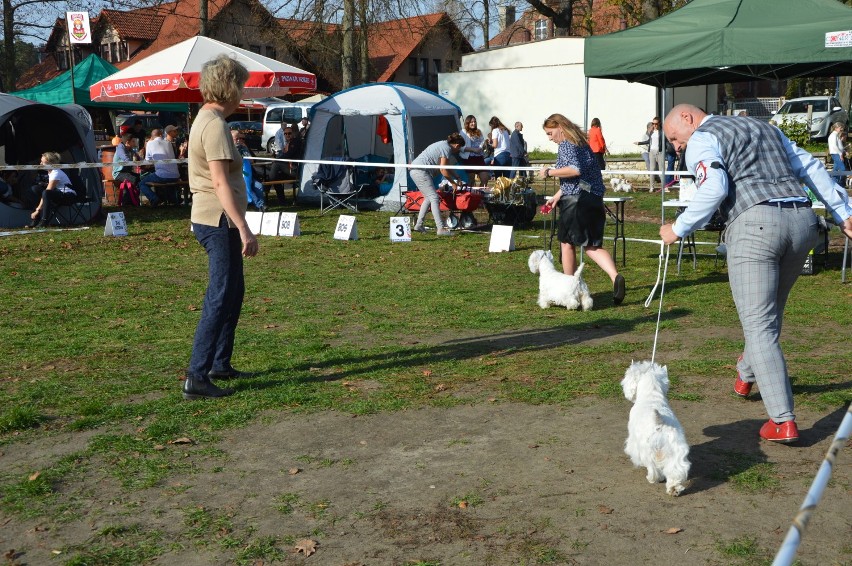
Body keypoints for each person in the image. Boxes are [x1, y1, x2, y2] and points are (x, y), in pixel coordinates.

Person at [660, 104, 852, 443]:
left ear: (688, 119)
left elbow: (715, 187)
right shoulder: (765, 128)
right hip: (803, 223)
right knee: (769, 314)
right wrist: (841, 211)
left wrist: (678, 227)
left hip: (755, 226)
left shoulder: (703, 139)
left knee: (760, 325)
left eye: (674, 138)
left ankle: (782, 420)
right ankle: (746, 373)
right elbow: (808, 165)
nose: (676, 146)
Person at [183, 54, 258, 401]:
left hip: (215, 219)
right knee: (219, 295)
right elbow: (219, 182)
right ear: (229, 87)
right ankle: (196, 376)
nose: (242, 91)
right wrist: (243, 227)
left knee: (233, 292)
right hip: (219, 221)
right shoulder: (214, 125)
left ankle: (219, 363)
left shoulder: (206, 119)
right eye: (240, 84)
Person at [538, 113, 626, 305]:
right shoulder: (583, 145)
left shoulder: (566, 145)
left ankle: (570, 289)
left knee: (566, 243)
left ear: (560, 128)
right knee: (592, 245)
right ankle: (615, 276)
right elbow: (581, 180)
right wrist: (556, 196)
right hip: (593, 198)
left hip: (575, 202)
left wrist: (549, 172)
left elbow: (574, 170)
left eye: (550, 133)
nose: (550, 138)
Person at [411, 132, 465, 235]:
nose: (458, 151)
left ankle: (418, 225)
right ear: (457, 145)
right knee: (434, 197)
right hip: (420, 171)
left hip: (416, 170)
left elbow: (447, 166)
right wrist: (453, 183)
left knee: (429, 197)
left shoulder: (444, 145)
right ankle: (440, 228)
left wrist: (457, 177)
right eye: (459, 148)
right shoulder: (446, 148)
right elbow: (443, 170)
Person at [28, 152, 78, 227]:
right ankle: (36, 220)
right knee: (34, 189)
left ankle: (44, 221)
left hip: (69, 196)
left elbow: (48, 191)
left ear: (49, 163)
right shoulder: (50, 172)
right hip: (58, 194)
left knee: (46, 193)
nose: (40, 163)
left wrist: (37, 210)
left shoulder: (56, 172)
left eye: (42, 162)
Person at [139, 128, 182, 204]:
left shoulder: (150, 143)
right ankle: (170, 200)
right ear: (161, 135)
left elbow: (148, 161)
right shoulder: (168, 143)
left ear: (152, 137)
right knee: (161, 177)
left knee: (142, 183)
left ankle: (154, 198)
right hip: (176, 175)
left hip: (162, 175)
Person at [231, 129, 266, 212]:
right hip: (237, 175)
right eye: (237, 139)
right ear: (231, 139)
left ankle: (260, 206)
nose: (239, 140)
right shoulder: (229, 149)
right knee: (247, 188)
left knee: (259, 186)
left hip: (247, 173)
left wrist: (245, 148)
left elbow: (252, 161)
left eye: (240, 138)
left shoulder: (243, 148)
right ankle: (259, 205)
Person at [270, 125, 303, 205]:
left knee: (276, 164)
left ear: (293, 134)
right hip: (288, 169)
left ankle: (268, 183)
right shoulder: (288, 144)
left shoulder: (296, 142)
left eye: (289, 133)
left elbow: (288, 155)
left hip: (296, 170)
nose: (287, 135)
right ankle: (282, 201)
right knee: (275, 179)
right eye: (285, 134)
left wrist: (278, 158)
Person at [112, 132, 147, 204]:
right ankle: (133, 201)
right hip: (119, 173)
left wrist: (143, 162)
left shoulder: (130, 149)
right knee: (135, 179)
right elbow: (126, 159)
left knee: (141, 177)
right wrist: (136, 161)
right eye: (133, 141)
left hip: (127, 172)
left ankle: (133, 201)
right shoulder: (120, 148)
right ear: (128, 142)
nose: (134, 143)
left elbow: (138, 157)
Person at [459, 115, 489, 186]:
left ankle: (481, 195)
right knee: (471, 180)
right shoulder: (463, 132)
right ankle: (471, 196)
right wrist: (473, 149)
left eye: (475, 121)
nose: (473, 123)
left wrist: (481, 147)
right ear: (467, 123)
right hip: (469, 159)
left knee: (485, 178)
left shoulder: (479, 131)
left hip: (479, 158)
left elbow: (482, 142)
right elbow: (460, 147)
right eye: (471, 122)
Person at [827, 121, 847, 188]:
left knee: (835, 170)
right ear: (836, 128)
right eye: (840, 128)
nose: (841, 129)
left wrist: (843, 151)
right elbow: (835, 147)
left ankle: (833, 183)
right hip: (836, 154)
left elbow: (839, 146)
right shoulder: (833, 135)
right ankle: (839, 183)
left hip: (837, 153)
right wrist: (840, 154)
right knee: (843, 169)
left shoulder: (836, 135)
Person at [648, 116, 663, 191]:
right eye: (653, 123)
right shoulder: (651, 132)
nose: (654, 125)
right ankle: (651, 187)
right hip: (651, 151)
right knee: (652, 169)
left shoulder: (662, 132)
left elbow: (665, 142)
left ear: (659, 123)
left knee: (661, 169)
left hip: (659, 151)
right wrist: (639, 143)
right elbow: (649, 141)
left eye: (656, 124)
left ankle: (663, 187)